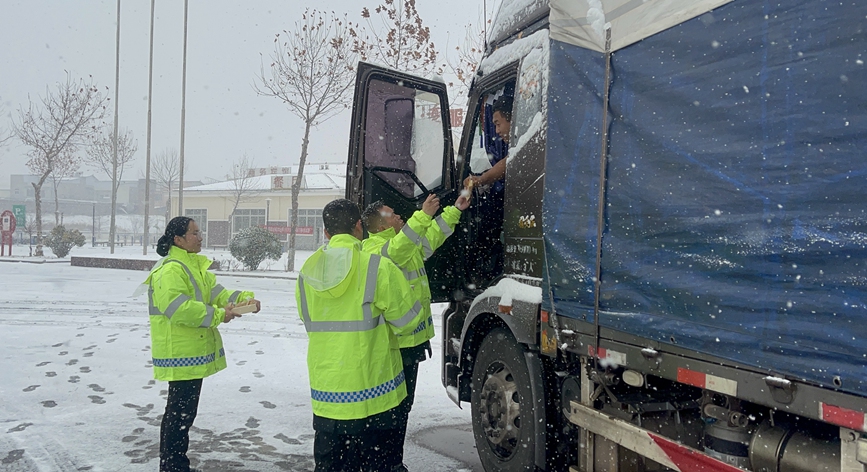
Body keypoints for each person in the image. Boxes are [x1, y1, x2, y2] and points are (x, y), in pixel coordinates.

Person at [296, 199, 423, 472]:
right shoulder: (377, 267)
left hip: (328, 398)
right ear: (358, 227)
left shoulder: (307, 273)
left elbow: (309, 321)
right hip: (376, 399)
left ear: (326, 232)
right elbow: (407, 322)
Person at [360, 192, 470, 470]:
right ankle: (385, 462)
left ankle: (390, 461)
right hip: (392, 347)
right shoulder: (374, 251)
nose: (399, 215)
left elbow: (431, 237)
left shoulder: (405, 244)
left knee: (402, 408)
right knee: (390, 410)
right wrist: (423, 214)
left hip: (411, 345)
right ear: (381, 226)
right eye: (392, 214)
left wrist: (454, 210)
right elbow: (397, 250)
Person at [145, 216, 261, 472]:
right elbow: (180, 310)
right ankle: (173, 466)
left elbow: (218, 294)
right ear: (178, 239)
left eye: (199, 232)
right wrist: (220, 315)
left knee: (183, 415)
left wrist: (244, 299)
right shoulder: (171, 269)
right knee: (179, 416)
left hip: (190, 353)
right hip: (180, 353)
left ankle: (175, 464)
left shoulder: (193, 266)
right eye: (195, 233)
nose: (200, 237)